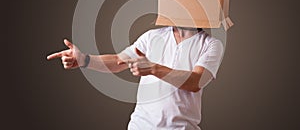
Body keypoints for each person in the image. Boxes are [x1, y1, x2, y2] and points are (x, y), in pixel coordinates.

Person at [47, 26, 224, 129]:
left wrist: (154, 68)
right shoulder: (153, 36)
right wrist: (84, 60)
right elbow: (118, 61)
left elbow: (196, 81)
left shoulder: (211, 44)